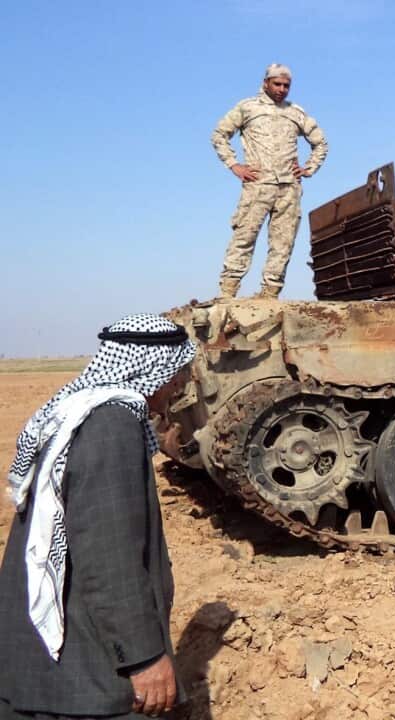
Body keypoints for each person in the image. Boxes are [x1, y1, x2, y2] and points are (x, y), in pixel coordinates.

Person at [0, 314, 196, 719]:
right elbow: (111, 560)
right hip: (85, 676)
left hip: (48, 666)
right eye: (177, 371)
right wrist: (142, 658)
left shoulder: (80, 412)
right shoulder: (112, 426)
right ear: (151, 369)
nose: (180, 383)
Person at [211, 63, 329, 299]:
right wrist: (234, 165)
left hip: (289, 188)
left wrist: (308, 168)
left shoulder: (296, 112)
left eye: (286, 85)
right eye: (277, 84)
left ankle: (270, 294)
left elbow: (320, 143)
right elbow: (219, 135)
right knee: (244, 237)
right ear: (266, 83)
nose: (282, 89)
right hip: (258, 185)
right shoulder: (247, 108)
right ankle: (227, 293)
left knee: (283, 243)